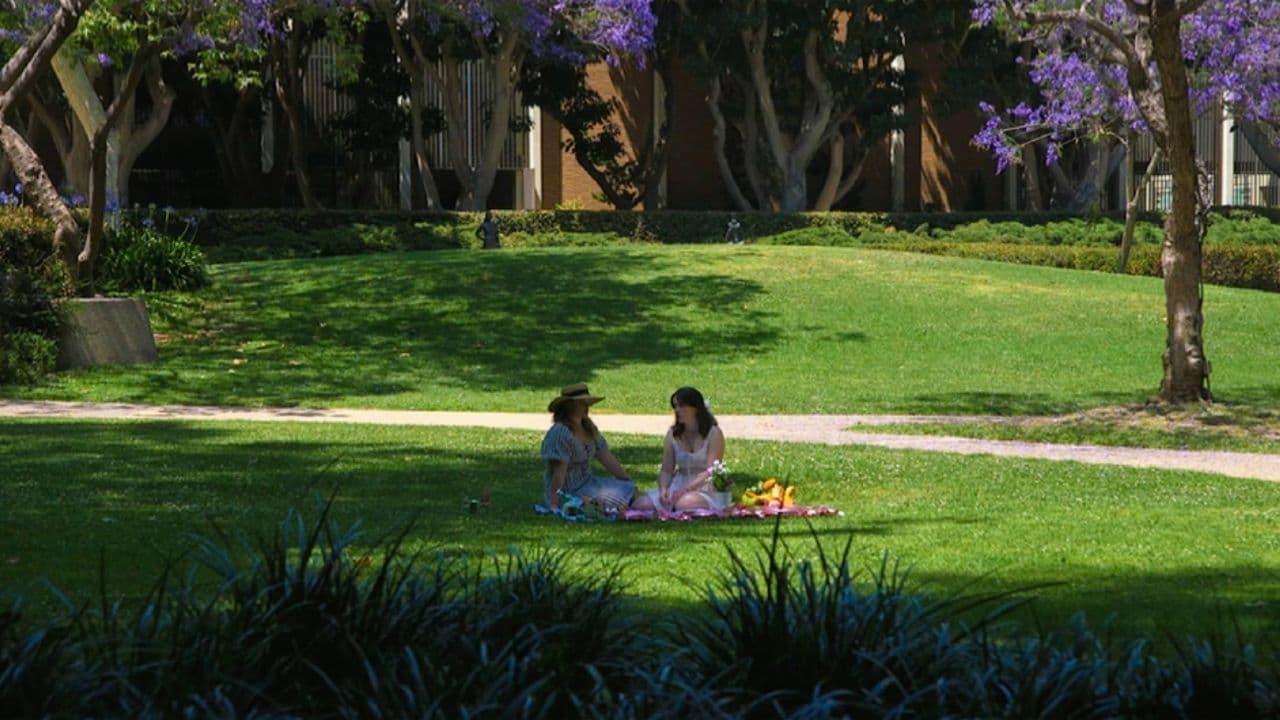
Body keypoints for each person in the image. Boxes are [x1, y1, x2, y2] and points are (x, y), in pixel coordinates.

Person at [541, 382, 634, 512]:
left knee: (630, 490)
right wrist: (554, 504)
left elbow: (605, 456)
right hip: (568, 492)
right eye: (582, 403)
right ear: (570, 407)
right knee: (621, 501)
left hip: (588, 483)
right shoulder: (561, 433)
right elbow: (558, 473)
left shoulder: (588, 427)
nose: (586, 407)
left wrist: (626, 480)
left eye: (587, 403)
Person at [634, 386, 729, 512]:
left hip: (703, 487)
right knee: (641, 505)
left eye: (682, 406)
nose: (678, 410)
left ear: (696, 408)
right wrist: (663, 489)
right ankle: (670, 503)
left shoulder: (714, 433)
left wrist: (686, 490)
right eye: (675, 407)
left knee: (686, 503)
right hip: (678, 485)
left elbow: (710, 471)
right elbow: (666, 470)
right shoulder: (673, 434)